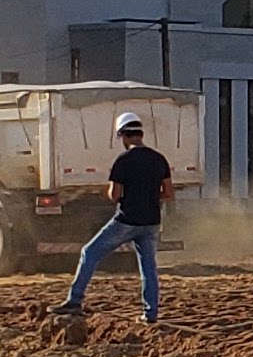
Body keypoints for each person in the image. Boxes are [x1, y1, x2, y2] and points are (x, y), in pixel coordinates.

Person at [53, 111, 172, 323]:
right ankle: (150, 313)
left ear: (123, 135)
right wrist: (149, 198)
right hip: (151, 222)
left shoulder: (123, 161)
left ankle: (75, 300)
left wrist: (115, 194)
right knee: (148, 267)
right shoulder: (159, 159)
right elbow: (168, 193)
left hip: (126, 220)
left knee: (89, 253)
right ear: (140, 133)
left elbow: (115, 195)